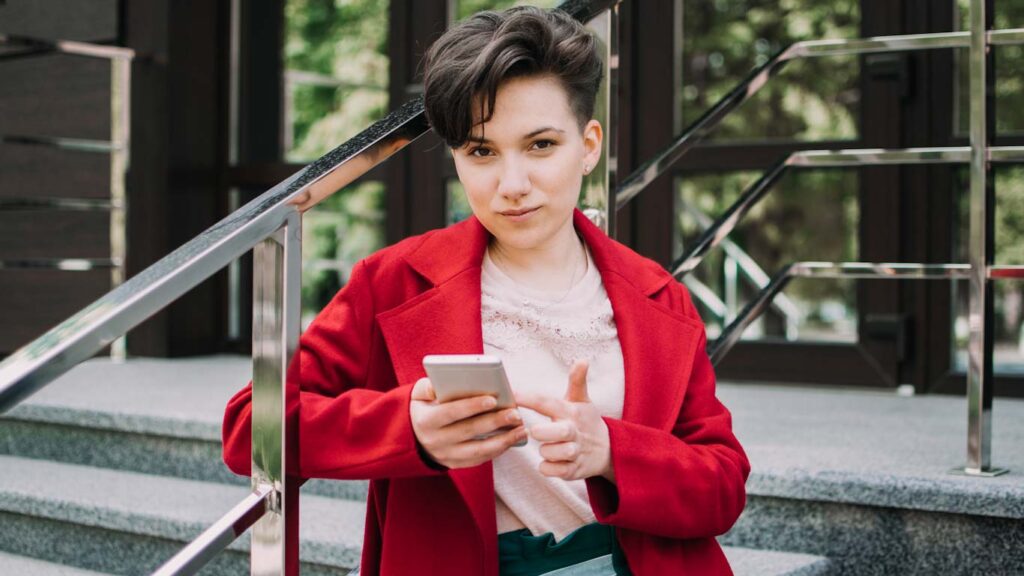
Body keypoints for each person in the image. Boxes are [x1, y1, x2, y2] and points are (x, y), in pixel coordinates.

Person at [223, 6, 749, 575]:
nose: (513, 185)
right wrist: (408, 430)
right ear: (456, 158)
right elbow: (251, 428)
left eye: (542, 145)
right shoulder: (394, 282)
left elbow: (722, 485)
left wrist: (612, 454)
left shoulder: (658, 296)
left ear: (589, 143)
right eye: (482, 152)